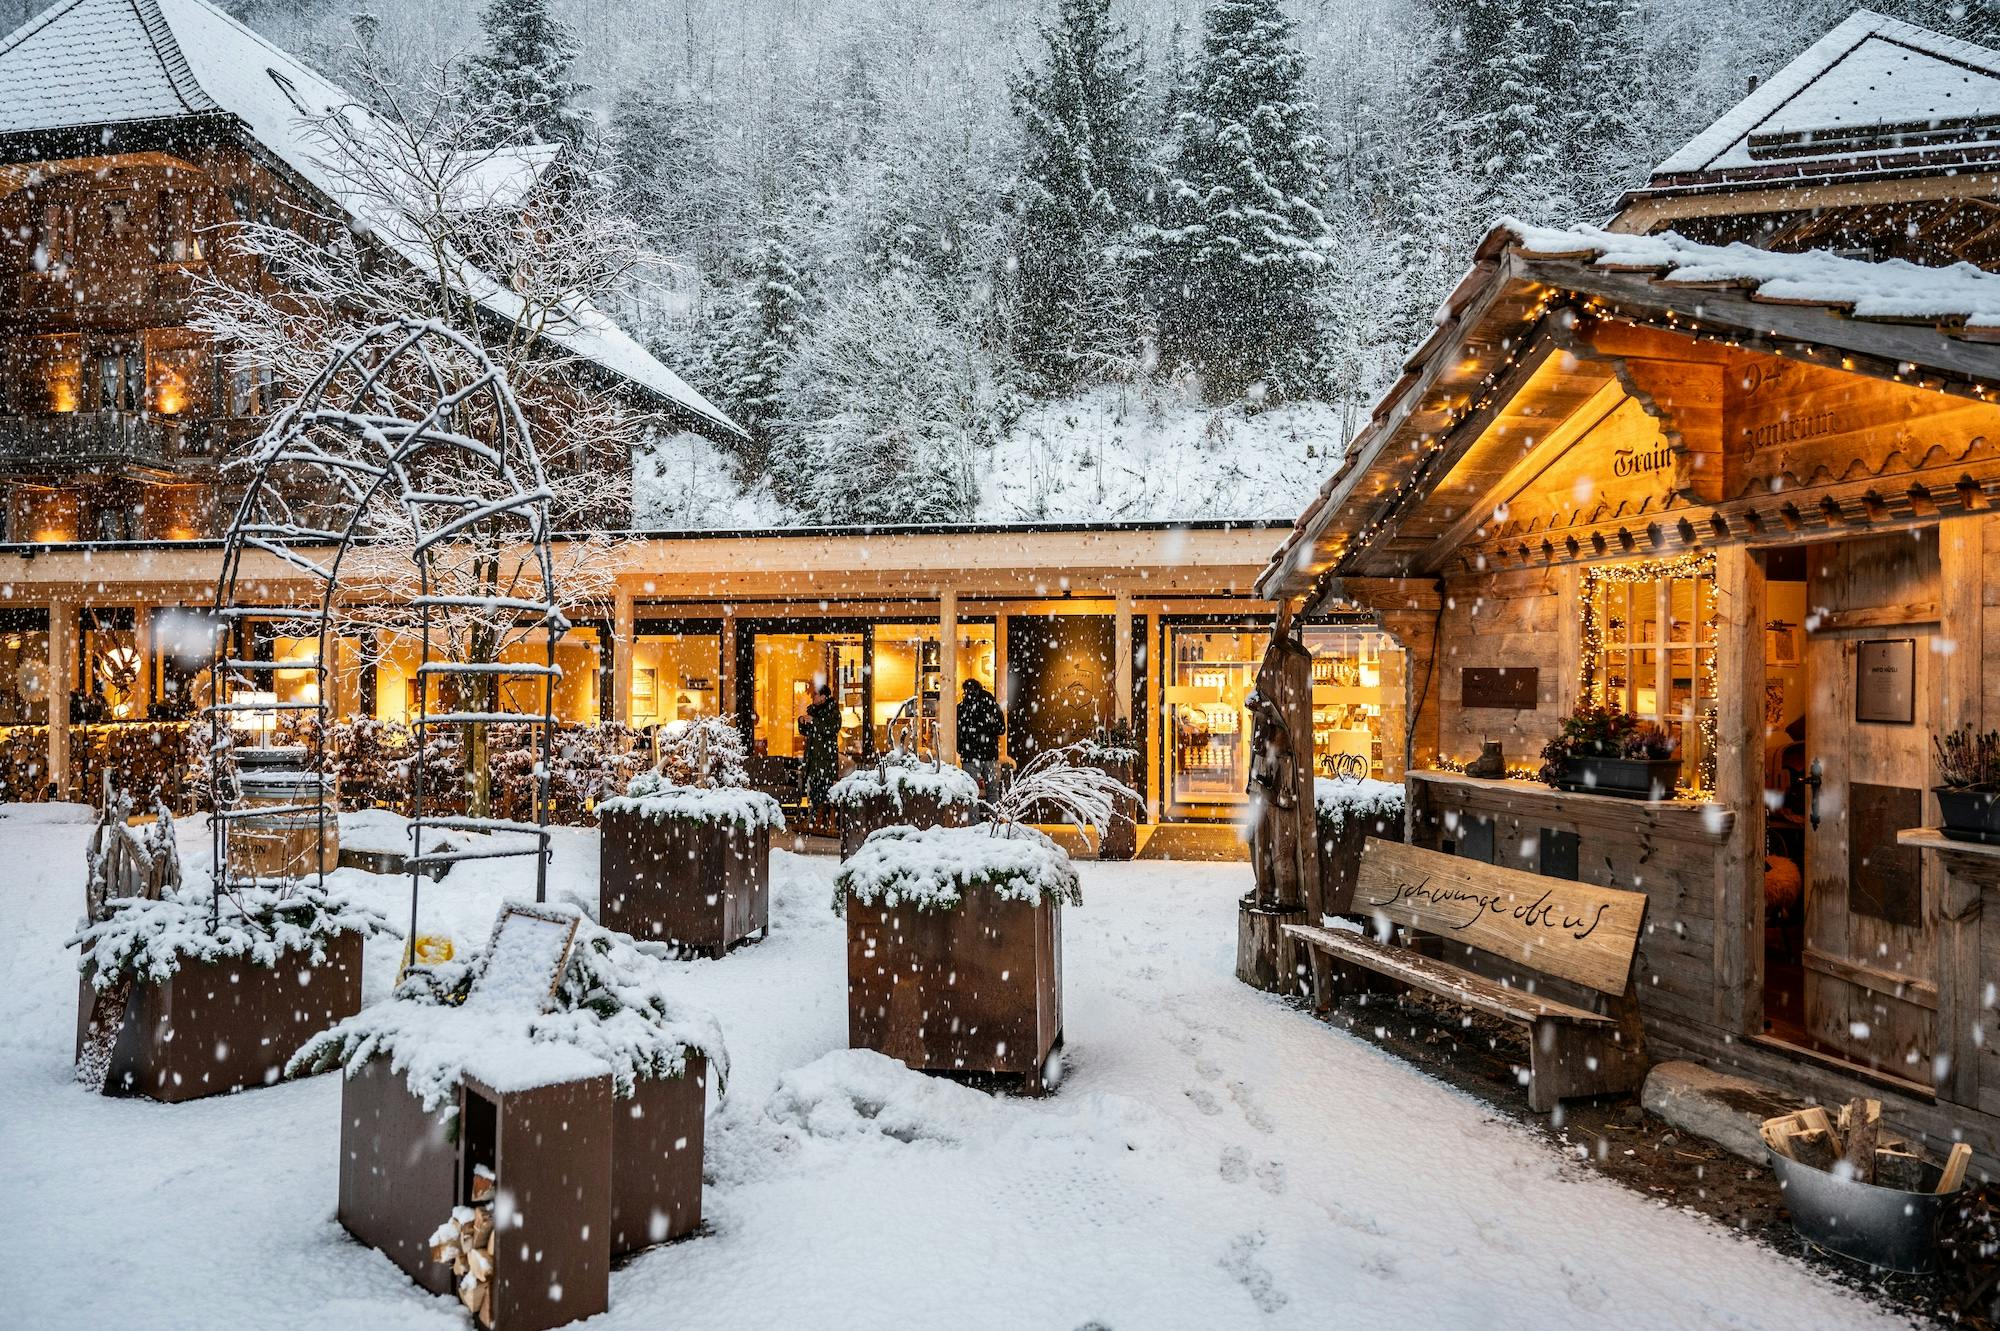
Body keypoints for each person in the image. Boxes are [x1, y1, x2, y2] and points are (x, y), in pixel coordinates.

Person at [800, 684, 843, 823]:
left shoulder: (833, 712)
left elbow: (831, 729)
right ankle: (814, 820)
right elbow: (806, 732)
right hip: (813, 759)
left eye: (816, 695)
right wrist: (802, 722)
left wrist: (814, 722)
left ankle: (823, 821)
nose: (813, 697)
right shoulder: (812, 711)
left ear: (823, 697)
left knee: (825, 792)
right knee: (813, 792)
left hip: (825, 760)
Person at [956, 678, 1006, 795]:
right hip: (990, 754)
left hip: (970, 755)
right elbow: (1001, 729)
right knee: (993, 792)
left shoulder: (961, 708)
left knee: (971, 794)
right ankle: (995, 813)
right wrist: (987, 731)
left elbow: (958, 732)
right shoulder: (992, 706)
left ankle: (974, 814)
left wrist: (961, 747)